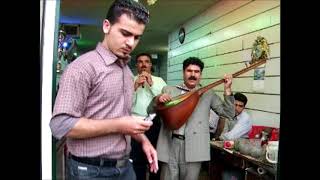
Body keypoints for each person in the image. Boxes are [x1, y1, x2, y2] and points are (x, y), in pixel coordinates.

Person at [49, 0, 158, 179]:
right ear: (106, 26)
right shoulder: (82, 68)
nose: (131, 43)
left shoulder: (126, 71)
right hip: (90, 171)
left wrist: (144, 140)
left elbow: (121, 116)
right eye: (125, 33)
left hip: (124, 167)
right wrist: (119, 125)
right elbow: (60, 125)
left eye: (137, 37)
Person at [149, 57, 235, 180]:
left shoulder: (208, 93)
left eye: (197, 71)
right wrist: (157, 100)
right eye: (189, 71)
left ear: (201, 74)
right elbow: (150, 111)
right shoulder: (169, 90)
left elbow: (228, 114)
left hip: (195, 146)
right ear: (183, 72)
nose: (193, 75)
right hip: (170, 143)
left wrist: (227, 90)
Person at [130, 53, 166, 180]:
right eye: (140, 62)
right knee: (136, 160)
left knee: (153, 158)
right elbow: (125, 104)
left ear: (151, 64)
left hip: (154, 122)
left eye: (146, 61)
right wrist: (134, 87)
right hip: (135, 124)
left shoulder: (159, 81)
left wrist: (151, 84)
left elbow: (164, 102)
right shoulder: (130, 80)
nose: (143, 64)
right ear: (136, 65)